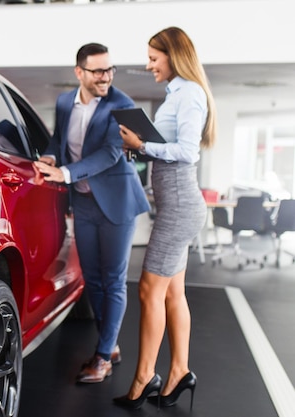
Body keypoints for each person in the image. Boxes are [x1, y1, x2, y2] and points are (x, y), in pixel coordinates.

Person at [113, 26, 217, 410]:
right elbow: (170, 148)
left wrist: (142, 144)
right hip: (177, 206)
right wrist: (140, 151)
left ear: (174, 56)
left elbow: (188, 151)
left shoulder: (189, 94)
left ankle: (144, 378)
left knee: (148, 290)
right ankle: (179, 372)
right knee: (173, 293)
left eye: (154, 58)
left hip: (179, 208)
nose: (149, 64)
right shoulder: (178, 93)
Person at [33, 43, 150, 384]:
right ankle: (109, 342)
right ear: (79, 72)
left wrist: (66, 174)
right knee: (93, 279)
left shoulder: (122, 105)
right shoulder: (64, 102)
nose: (106, 77)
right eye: (98, 71)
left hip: (116, 202)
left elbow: (111, 154)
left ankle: (103, 356)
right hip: (83, 203)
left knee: (113, 279)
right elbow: (58, 142)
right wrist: (52, 158)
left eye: (110, 70)